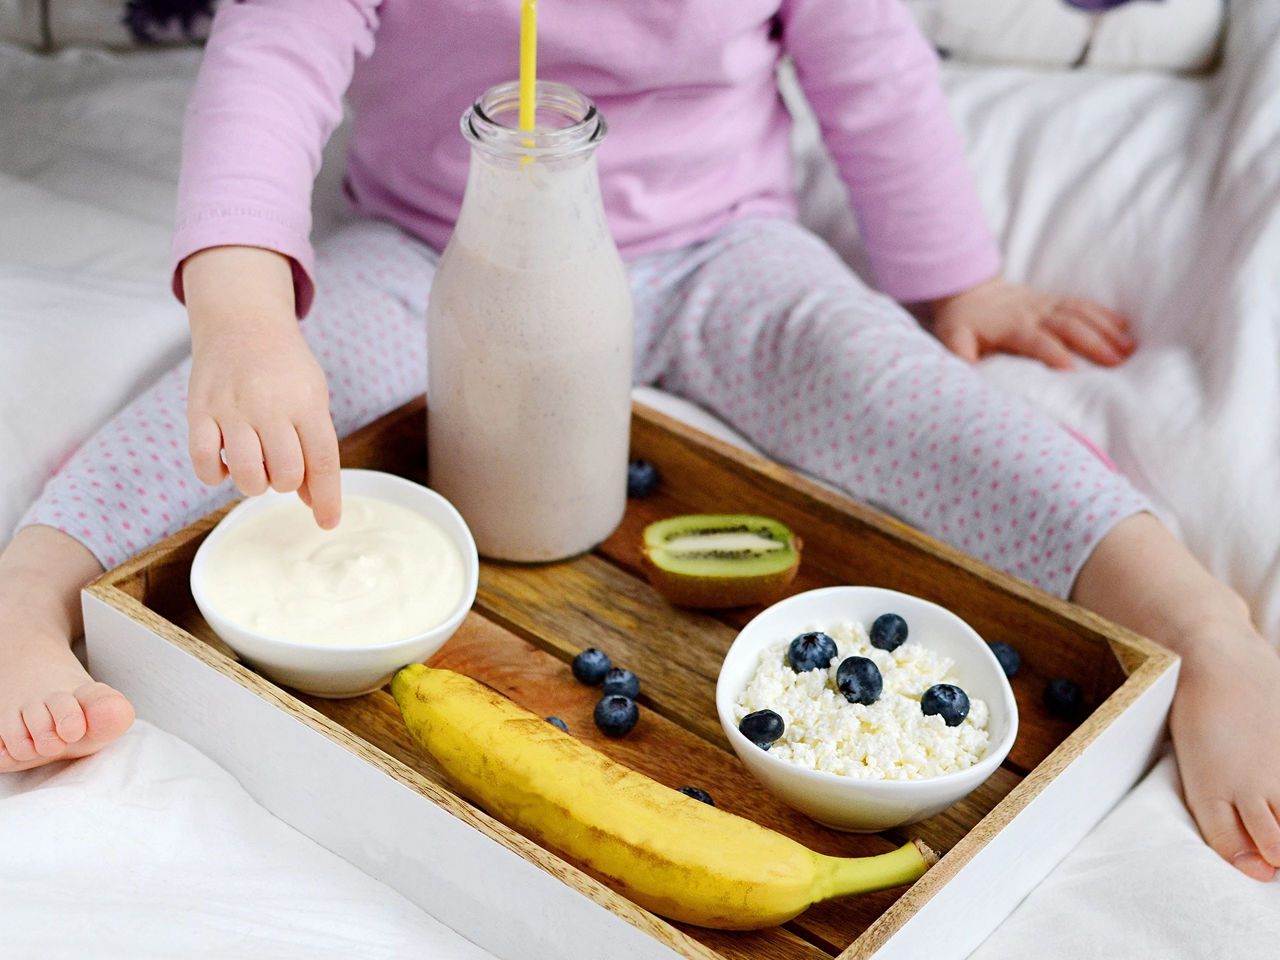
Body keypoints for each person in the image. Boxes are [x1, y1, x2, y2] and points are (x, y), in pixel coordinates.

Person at [2, 0, 1278, 884]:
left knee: (897, 392)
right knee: (266, 394)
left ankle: (1203, 625)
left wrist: (955, 278)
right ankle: (28, 589)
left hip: (721, 248)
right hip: (430, 246)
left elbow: (869, 61)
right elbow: (271, 57)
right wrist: (241, 313)